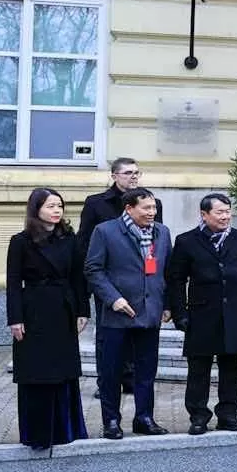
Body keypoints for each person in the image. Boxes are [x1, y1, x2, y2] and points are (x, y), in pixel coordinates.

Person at [165, 192, 237, 435]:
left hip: (233, 314)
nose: (225, 216)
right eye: (219, 212)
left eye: (228, 211)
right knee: (199, 370)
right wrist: (180, 313)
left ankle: (228, 414)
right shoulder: (187, 241)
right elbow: (176, 280)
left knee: (231, 368)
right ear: (204, 214)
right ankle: (198, 415)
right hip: (201, 315)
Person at [84, 187, 172, 439]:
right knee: (111, 372)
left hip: (150, 313)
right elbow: (93, 269)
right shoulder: (105, 231)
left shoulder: (161, 232)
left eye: (154, 208)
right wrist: (114, 299)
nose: (152, 213)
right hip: (117, 315)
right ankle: (111, 420)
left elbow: (167, 271)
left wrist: (166, 304)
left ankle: (144, 417)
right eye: (146, 208)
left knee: (146, 371)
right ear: (129, 208)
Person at [5, 188, 89, 450]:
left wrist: (82, 310)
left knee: (63, 370)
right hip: (33, 310)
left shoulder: (69, 239)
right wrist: (15, 318)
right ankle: (37, 433)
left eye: (60, 206)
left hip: (63, 309)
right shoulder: (21, 241)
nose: (56, 211)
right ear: (36, 209)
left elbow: (79, 278)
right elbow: (12, 283)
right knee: (37, 371)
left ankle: (66, 429)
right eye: (51, 206)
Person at [77, 159, 138, 257]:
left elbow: (156, 240)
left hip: (139, 263)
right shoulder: (95, 203)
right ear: (114, 177)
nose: (134, 176)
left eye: (136, 173)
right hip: (106, 262)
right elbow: (84, 239)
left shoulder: (151, 203)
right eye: (128, 173)